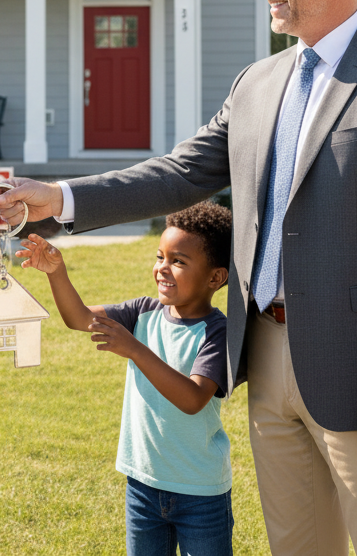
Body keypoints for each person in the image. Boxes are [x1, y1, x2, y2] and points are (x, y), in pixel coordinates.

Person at [0, 0, 357, 556]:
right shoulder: (258, 82)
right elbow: (182, 174)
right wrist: (60, 196)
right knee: (297, 546)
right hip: (266, 357)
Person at [19, 202, 233, 556]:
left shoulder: (216, 331)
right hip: (143, 486)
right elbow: (79, 318)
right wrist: (56, 272)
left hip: (201, 493)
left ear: (215, 278)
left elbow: (193, 399)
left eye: (178, 261)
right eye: (160, 256)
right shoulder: (143, 312)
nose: (163, 268)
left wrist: (136, 349)